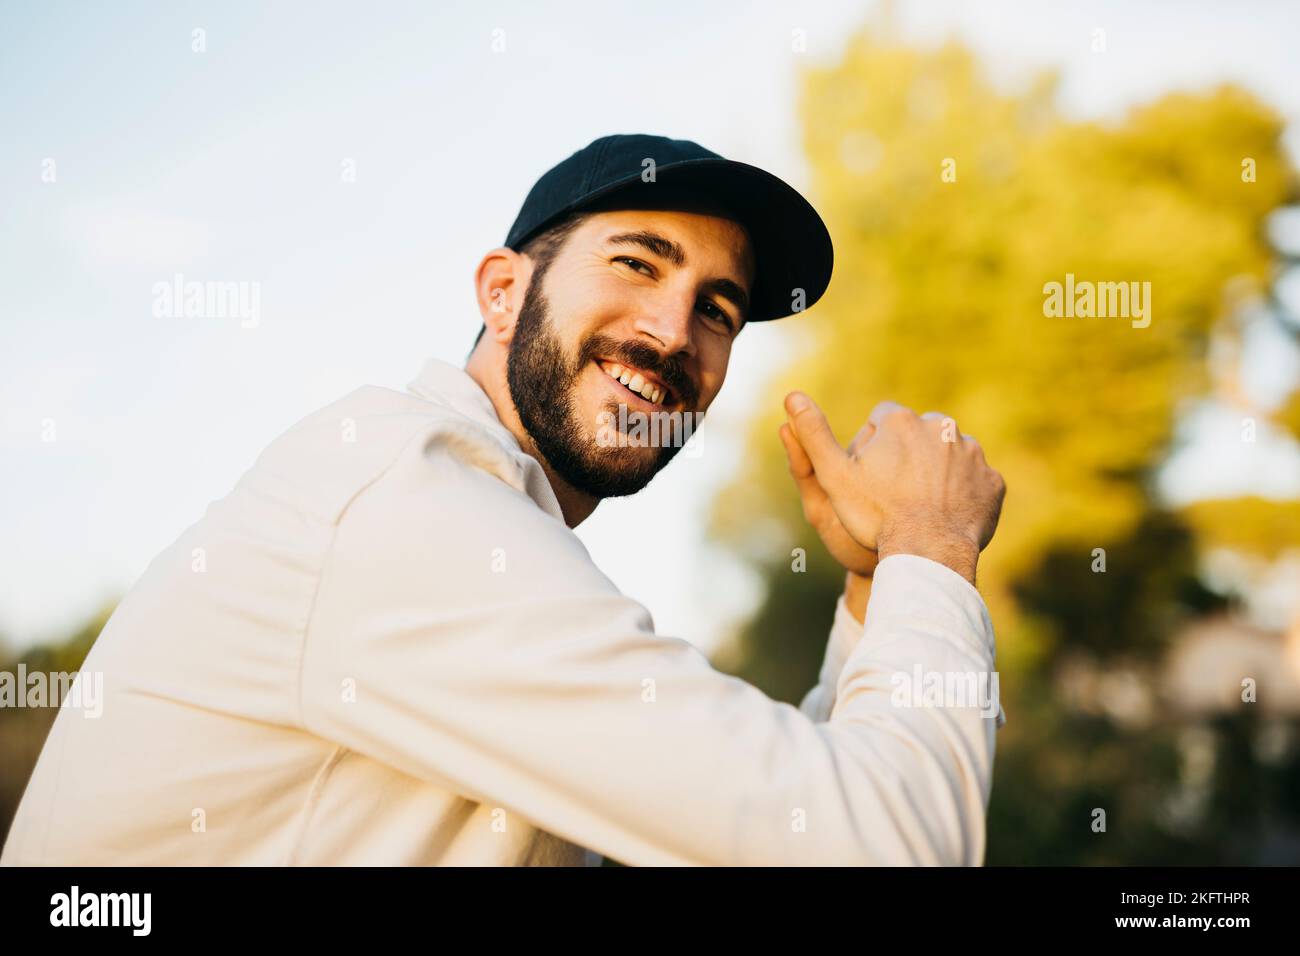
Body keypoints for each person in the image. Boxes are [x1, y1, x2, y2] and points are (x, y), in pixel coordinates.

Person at [2, 134, 1006, 866]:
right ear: (501, 291)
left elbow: (764, 828)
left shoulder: (487, 539)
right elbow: (885, 849)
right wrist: (932, 540)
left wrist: (878, 583)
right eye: (636, 262)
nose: (672, 331)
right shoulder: (403, 493)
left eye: (717, 308)